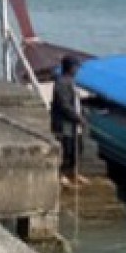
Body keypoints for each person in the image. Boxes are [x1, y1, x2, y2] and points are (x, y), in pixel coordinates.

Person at [52, 54, 89, 187]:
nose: (77, 70)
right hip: (65, 123)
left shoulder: (71, 81)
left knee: (78, 147)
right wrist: (78, 118)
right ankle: (62, 174)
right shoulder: (61, 83)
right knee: (66, 148)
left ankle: (74, 172)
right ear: (71, 67)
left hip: (74, 123)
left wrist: (82, 113)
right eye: (76, 67)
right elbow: (64, 105)